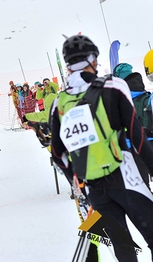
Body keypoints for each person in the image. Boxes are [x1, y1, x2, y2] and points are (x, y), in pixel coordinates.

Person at [50, 34, 153, 261]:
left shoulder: (60, 102)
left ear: (67, 66)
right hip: (125, 176)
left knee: (123, 245)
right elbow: (137, 137)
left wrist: (77, 179)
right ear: (93, 59)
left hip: (93, 186)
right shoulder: (114, 86)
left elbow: (57, 154)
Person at [113, 62, 153, 185]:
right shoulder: (145, 95)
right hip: (151, 140)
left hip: (132, 147)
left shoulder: (120, 98)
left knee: (141, 186)